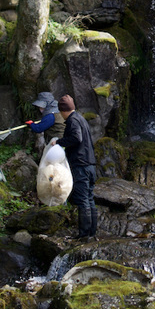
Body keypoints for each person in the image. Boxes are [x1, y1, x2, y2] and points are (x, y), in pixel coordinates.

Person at [52, 94, 98, 239]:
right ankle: (92, 232)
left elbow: (76, 138)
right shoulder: (81, 118)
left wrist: (59, 142)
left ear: (63, 111)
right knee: (90, 198)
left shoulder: (73, 121)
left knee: (83, 199)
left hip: (81, 166)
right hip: (90, 165)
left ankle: (84, 234)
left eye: (60, 112)